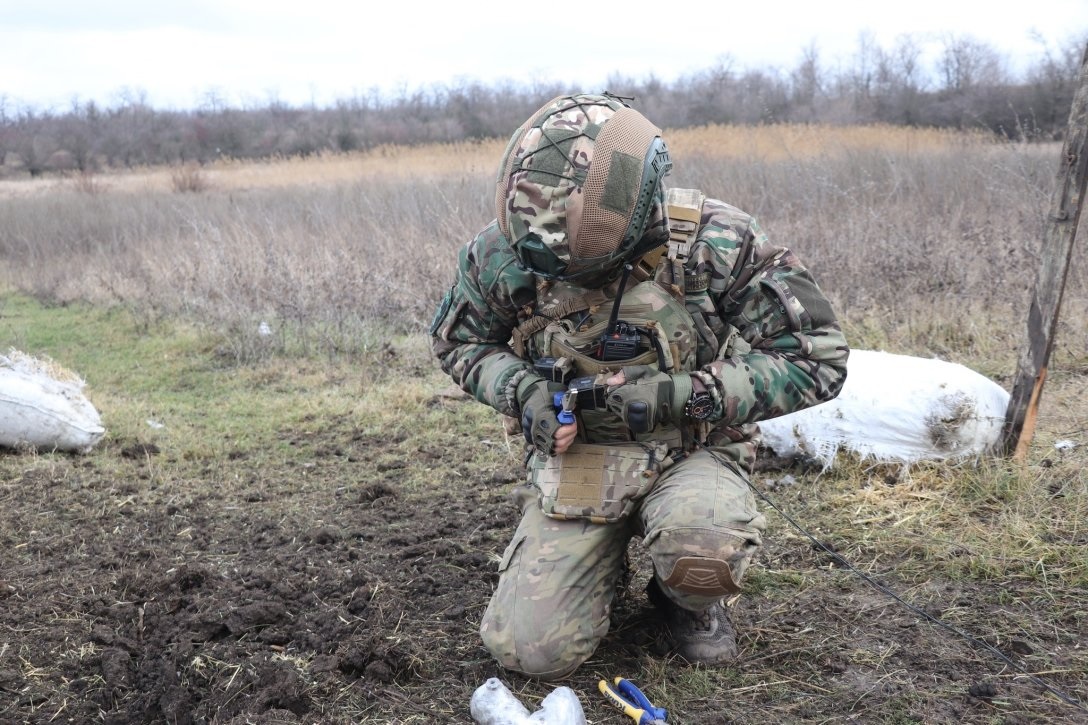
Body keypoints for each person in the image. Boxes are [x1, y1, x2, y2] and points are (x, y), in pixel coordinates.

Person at [430, 93, 848, 680]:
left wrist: (672, 397)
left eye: (584, 267)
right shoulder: (507, 253)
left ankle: (680, 599)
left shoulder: (712, 242)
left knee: (702, 548)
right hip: (582, 453)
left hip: (693, 449)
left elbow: (816, 359)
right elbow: (460, 343)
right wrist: (526, 395)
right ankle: (596, 563)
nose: (566, 280)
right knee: (530, 653)